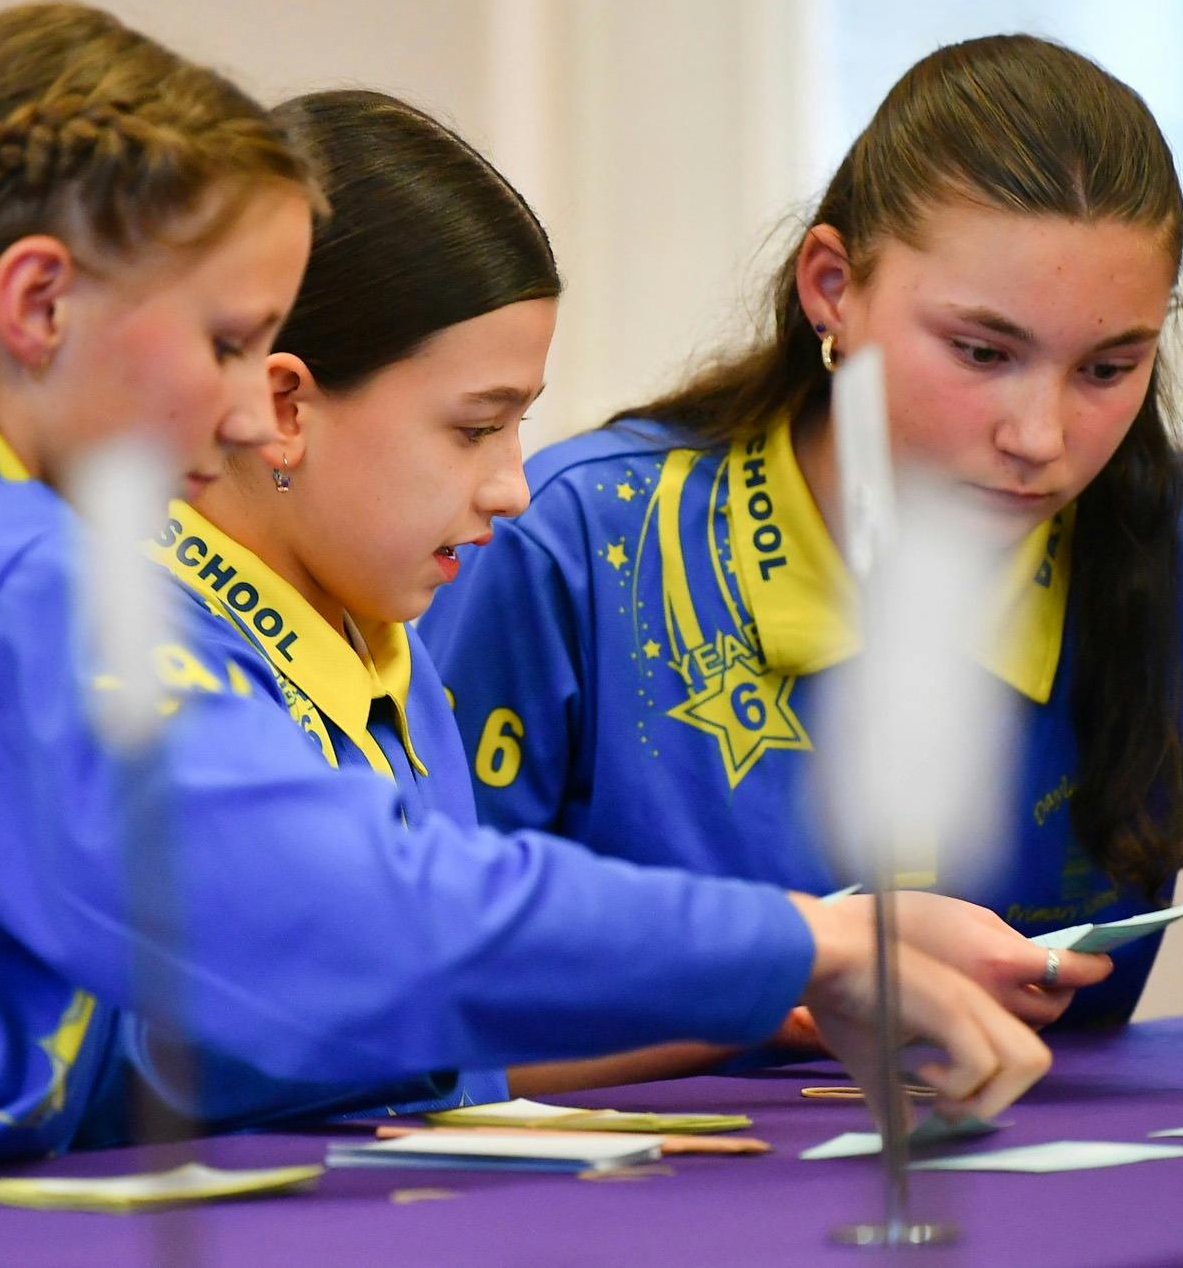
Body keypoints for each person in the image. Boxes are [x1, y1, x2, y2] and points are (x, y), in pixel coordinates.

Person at [0, 5, 1043, 1205]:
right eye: (225, 340)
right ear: (37, 304)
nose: (250, 399)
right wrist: (802, 942)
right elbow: (348, 919)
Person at [422, 33, 1183, 1038]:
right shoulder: (572, 543)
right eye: (980, 352)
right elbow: (425, 994)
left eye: (1107, 366)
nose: (1041, 435)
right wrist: (806, 987)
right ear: (832, 291)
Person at [108, 89, 1088, 1124]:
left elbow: (459, 1037)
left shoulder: (382, 652)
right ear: (285, 405)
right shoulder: (145, 653)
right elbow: (333, 979)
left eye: (517, 425)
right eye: (473, 427)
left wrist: (784, 986)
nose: (511, 487)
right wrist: (802, 940)